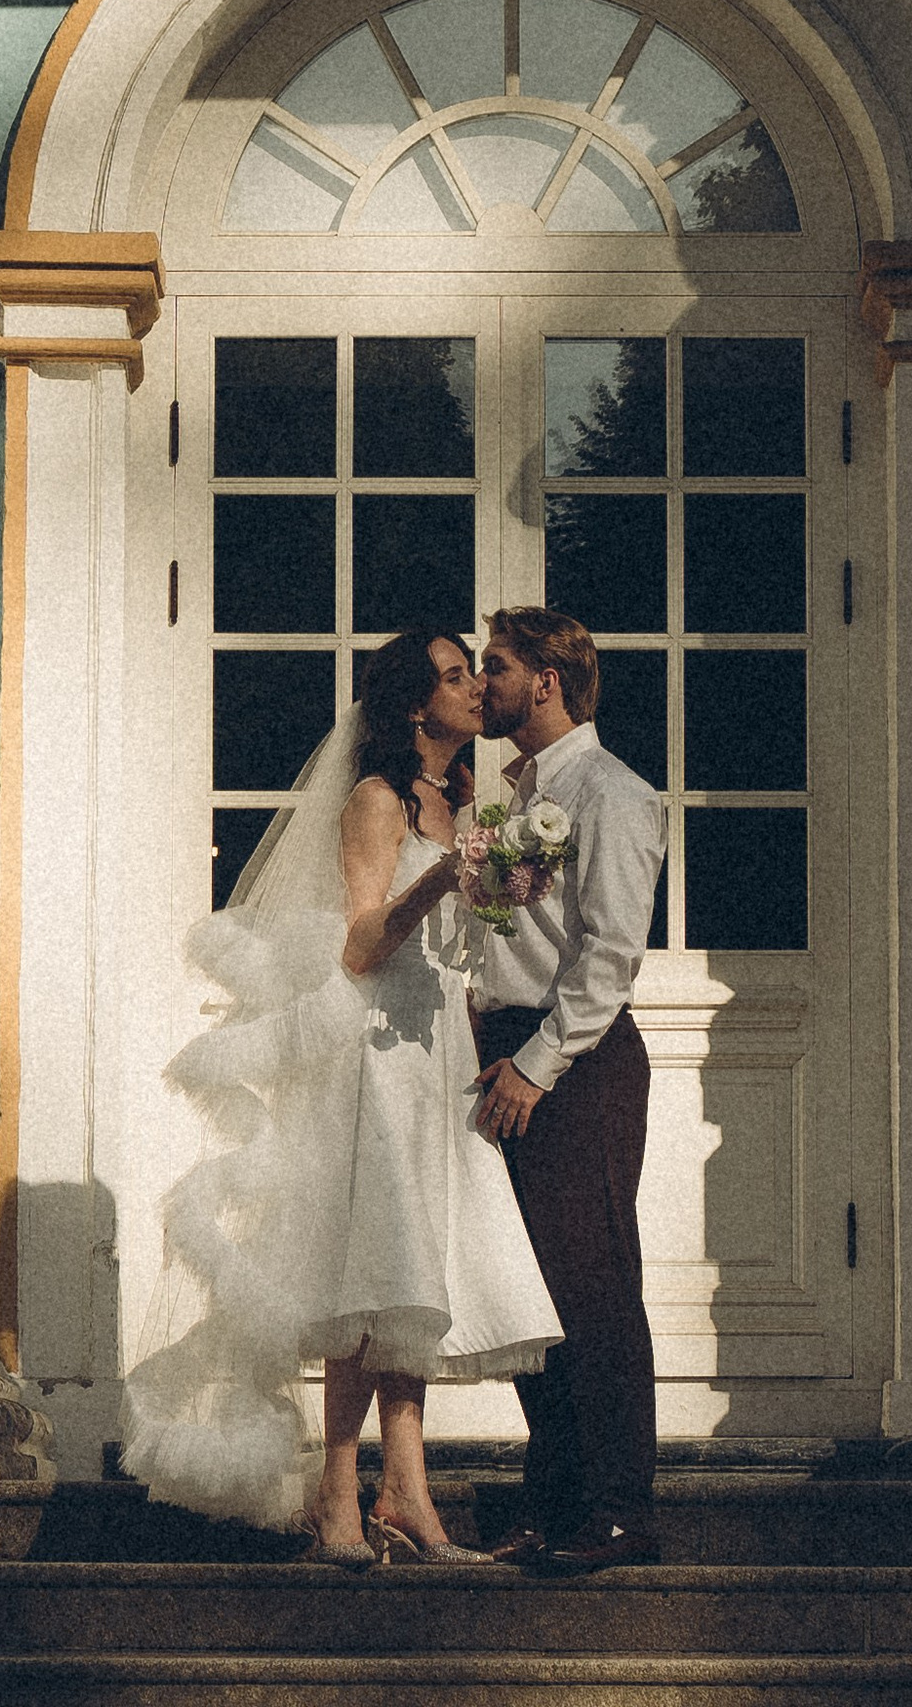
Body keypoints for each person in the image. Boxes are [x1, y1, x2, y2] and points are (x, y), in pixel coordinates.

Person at [123, 627, 558, 1558]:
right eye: (452, 678)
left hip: (437, 1043)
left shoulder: (464, 796)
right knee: (365, 1270)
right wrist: (445, 875)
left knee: (411, 1278)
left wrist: (492, 889)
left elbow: (467, 937)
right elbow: (358, 945)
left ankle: (404, 1490)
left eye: (472, 674)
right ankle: (337, 1494)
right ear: (413, 706)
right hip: (373, 1044)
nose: (475, 689)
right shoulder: (375, 799)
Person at [471, 604, 669, 1573]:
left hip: (573, 1064)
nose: (482, 683)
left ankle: (621, 1510)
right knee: (531, 1298)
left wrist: (536, 1066)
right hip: (500, 1052)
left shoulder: (612, 793)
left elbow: (609, 955)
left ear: (547, 679)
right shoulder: (508, 795)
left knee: (591, 1290)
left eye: (496, 666)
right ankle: (551, 1510)